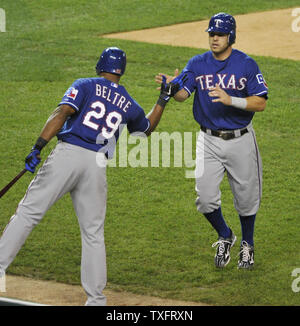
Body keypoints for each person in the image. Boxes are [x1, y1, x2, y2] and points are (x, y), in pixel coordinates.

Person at [0, 46, 182, 305]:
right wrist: (163, 98)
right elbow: (144, 130)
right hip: (97, 165)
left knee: (28, 213)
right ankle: (96, 300)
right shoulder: (128, 102)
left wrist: (38, 146)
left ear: (100, 65)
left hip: (69, 156)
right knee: (93, 232)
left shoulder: (84, 85)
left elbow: (62, 112)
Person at [156, 13, 268, 269]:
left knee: (246, 199)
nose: (214, 38)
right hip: (208, 140)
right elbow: (184, 94)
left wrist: (231, 100)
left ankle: (247, 244)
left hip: (241, 139)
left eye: (219, 34)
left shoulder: (246, 64)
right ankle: (225, 234)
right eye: (211, 34)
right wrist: (171, 89)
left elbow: (260, 102)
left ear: (231, 37)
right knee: (205, 199)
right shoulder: (197, 63)